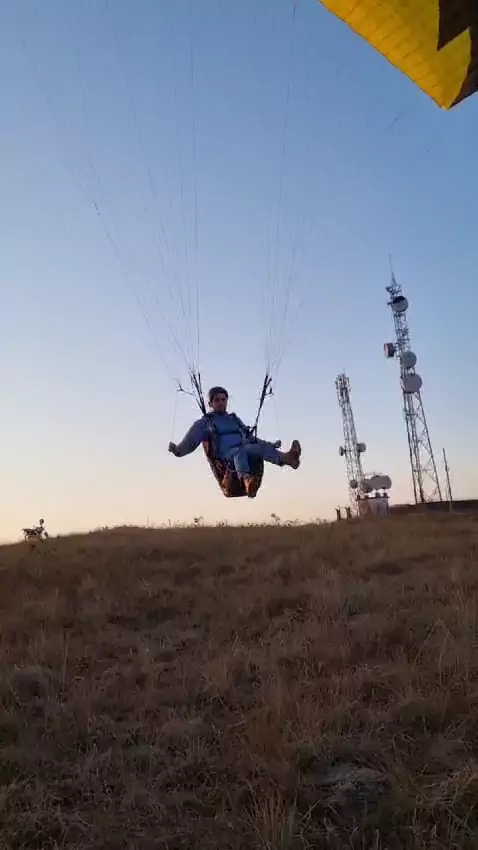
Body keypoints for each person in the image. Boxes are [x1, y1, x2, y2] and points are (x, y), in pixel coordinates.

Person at [168, 386, 301, 496]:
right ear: (210, 404)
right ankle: (247, 482)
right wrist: (178, 451)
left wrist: (271, 445)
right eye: (217, 400)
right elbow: (191, 441)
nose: (221, 403)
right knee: (239, 452)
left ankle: (288, 459)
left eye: (223, 399)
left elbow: (249, 437)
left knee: (259, 447)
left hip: (244, 447)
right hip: (225, 456)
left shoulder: (234, 419)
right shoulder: (205, 423)